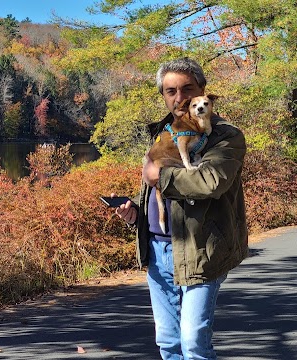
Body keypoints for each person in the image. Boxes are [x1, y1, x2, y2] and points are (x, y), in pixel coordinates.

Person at [114, 58, 248, 360]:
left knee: (193, 343)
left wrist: (158, 176)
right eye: (170, 90)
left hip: (201, 250)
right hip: (157, 250)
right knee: (169, 342)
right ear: (163, 95)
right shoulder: (166, 131)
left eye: (187, 88)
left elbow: (210, 181)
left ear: (202, 90)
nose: (179, 97)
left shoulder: (225, 135)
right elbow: (159, 192)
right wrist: (135, 213)